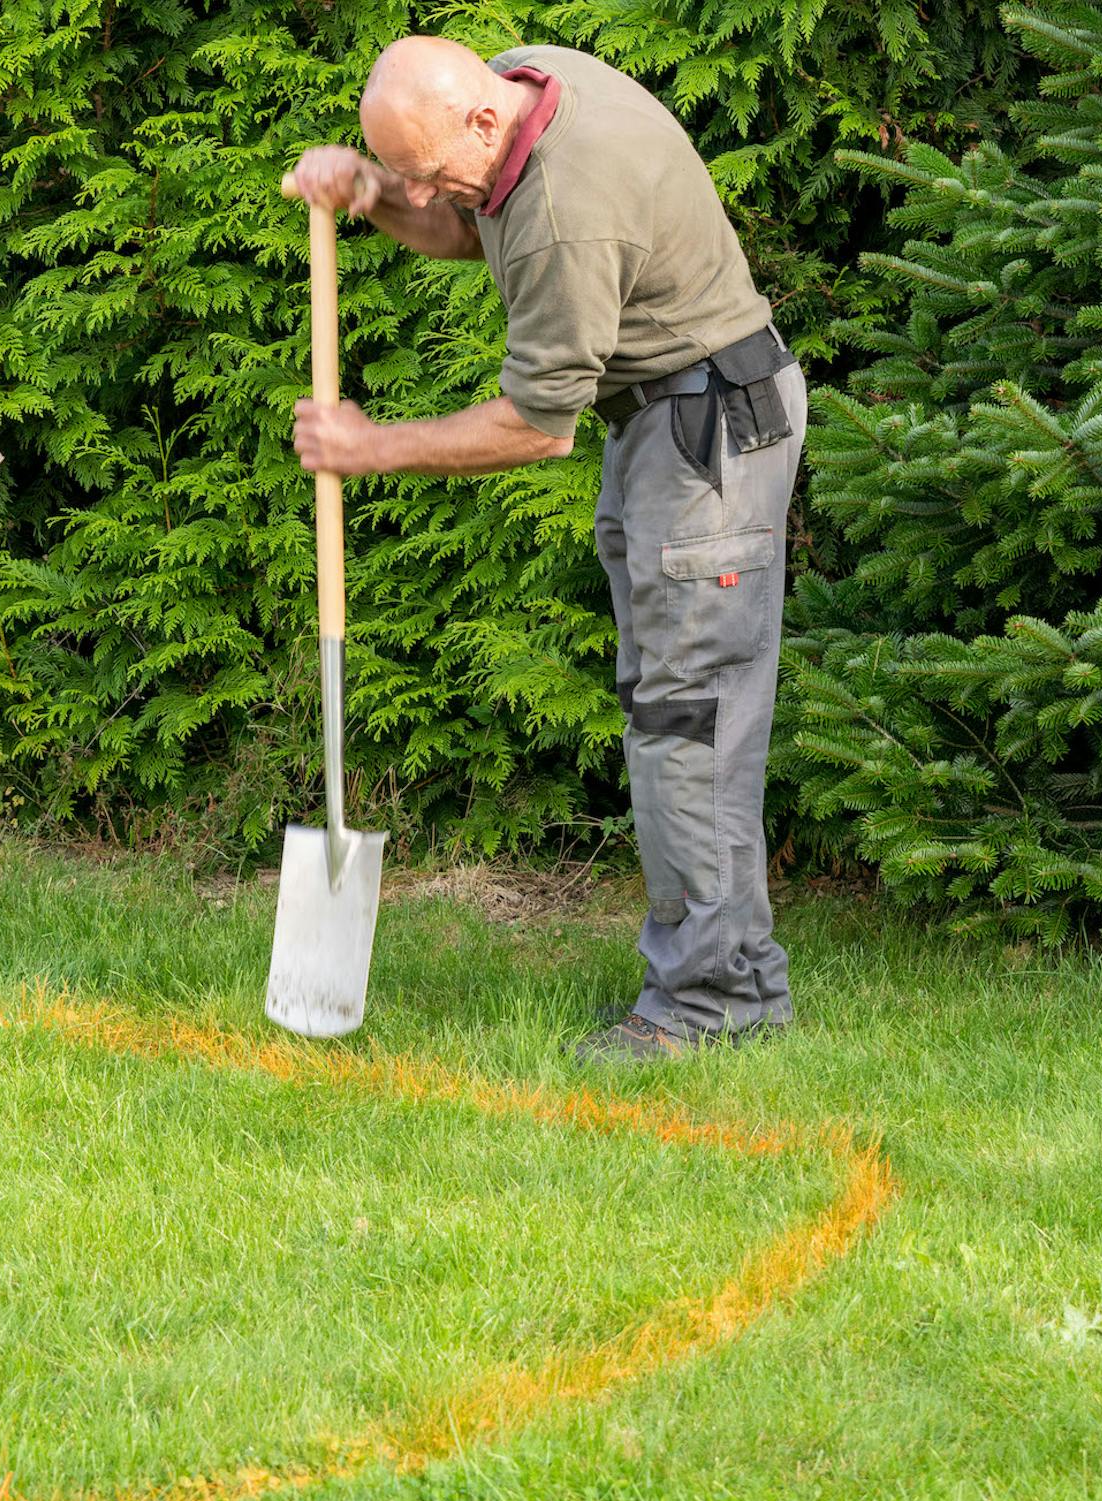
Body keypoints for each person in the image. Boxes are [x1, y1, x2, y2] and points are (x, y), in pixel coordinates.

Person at [286, 37, 806, 1063]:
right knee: (679, 712)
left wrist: (367, 447)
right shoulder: (522, 82)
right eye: (413, 170)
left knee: (686, 718)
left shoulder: (566, 209)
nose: (433, 193)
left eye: (432, 171)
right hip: (670, 422)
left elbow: (538, 424)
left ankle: (708, 1007)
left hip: (707, 438)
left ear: (484, 118)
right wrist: (375, 192)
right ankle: (734, 977)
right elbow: (463, 221)